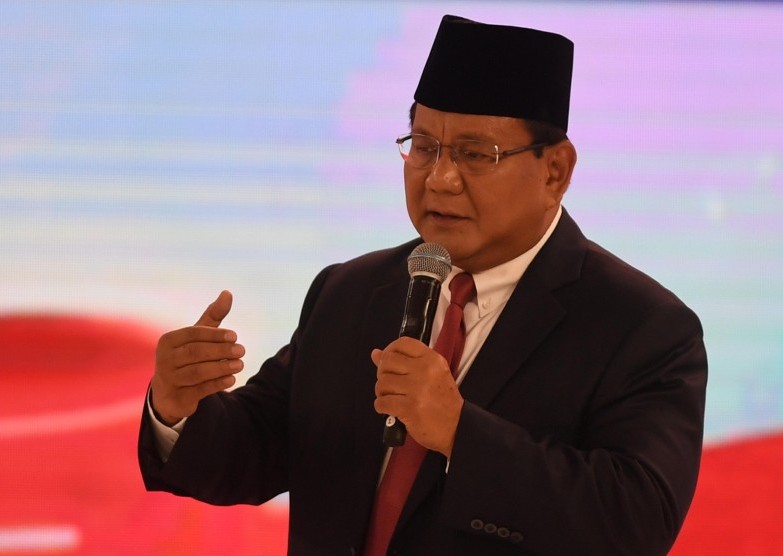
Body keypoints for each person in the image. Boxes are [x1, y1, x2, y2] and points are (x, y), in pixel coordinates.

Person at [138, 14, 707, 556]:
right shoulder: (352, 291)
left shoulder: (640, 326)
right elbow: (260, 448)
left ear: (555, 170)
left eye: (474, 154)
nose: (439, 178)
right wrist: (178, 408)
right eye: (424, 146)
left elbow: (636, 522)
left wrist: (460, 433)